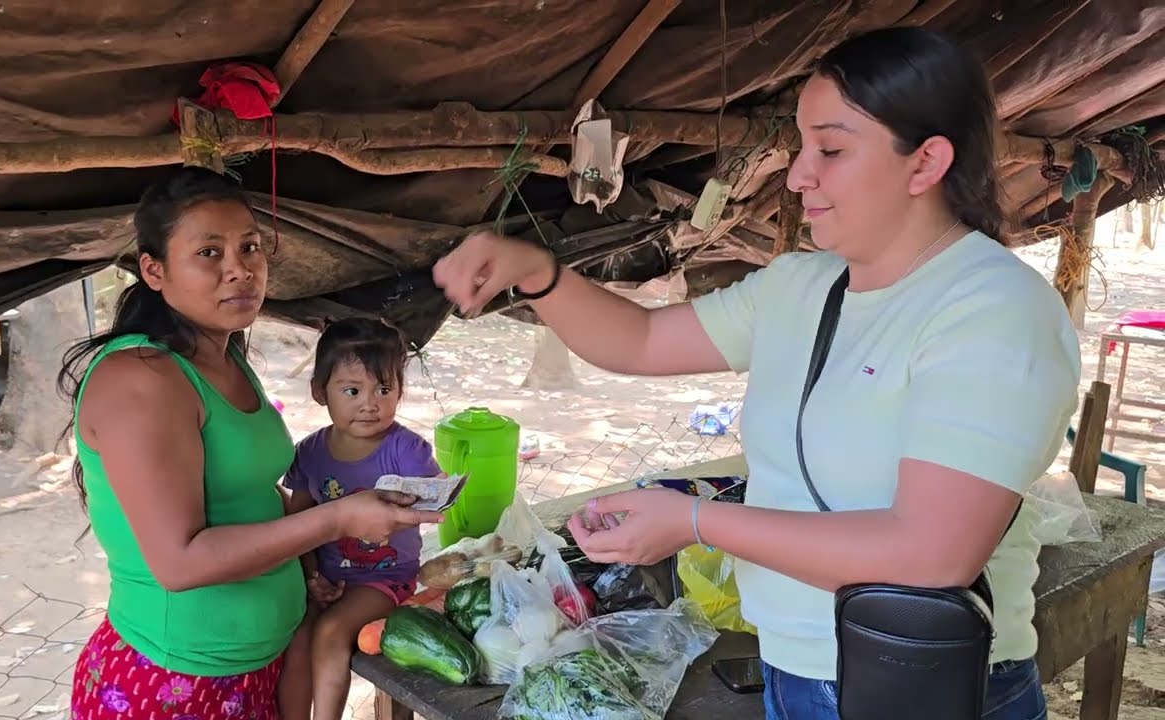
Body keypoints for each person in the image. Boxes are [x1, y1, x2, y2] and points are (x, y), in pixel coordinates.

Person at [432, 26, 1079, 720]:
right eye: (802, 147)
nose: (800, 176)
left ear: (925, 164)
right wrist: (537, 273)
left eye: (830, 150)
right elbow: (642, 339)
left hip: (923, 689)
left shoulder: (992, 311)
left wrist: (695, 521)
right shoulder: (801, 286)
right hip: (796, 668)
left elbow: (929, 555)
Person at [59, 167, 442, 720]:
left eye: (250, 247)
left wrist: (311, 559)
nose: (239, 270)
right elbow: (180, 563)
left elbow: (250, 497)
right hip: (177, 682)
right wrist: (337, 521)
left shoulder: (224, 355)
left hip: (263, 665)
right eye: (209, 253)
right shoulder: (140, 378)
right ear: (154, 270)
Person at [278, 318, 442, 720]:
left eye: (383, 389)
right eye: (352, 390)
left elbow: (437, 500)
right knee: (297, 634)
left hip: (385, 577)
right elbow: (298, 521)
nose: (370, 403)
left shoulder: (407, 450)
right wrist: (311, 577)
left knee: (332, 632)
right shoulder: (311, 452)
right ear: (320, 392)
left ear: (399, 391)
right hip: (328, 577)